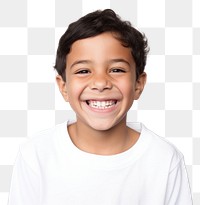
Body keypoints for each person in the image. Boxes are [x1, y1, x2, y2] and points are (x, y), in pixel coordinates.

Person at [8, 9, 192, 205]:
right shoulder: (35, 155)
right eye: (84, 71)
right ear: (64, 87)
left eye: (117, 70)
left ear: (138, 84)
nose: (100, 83)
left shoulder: (165, 160)